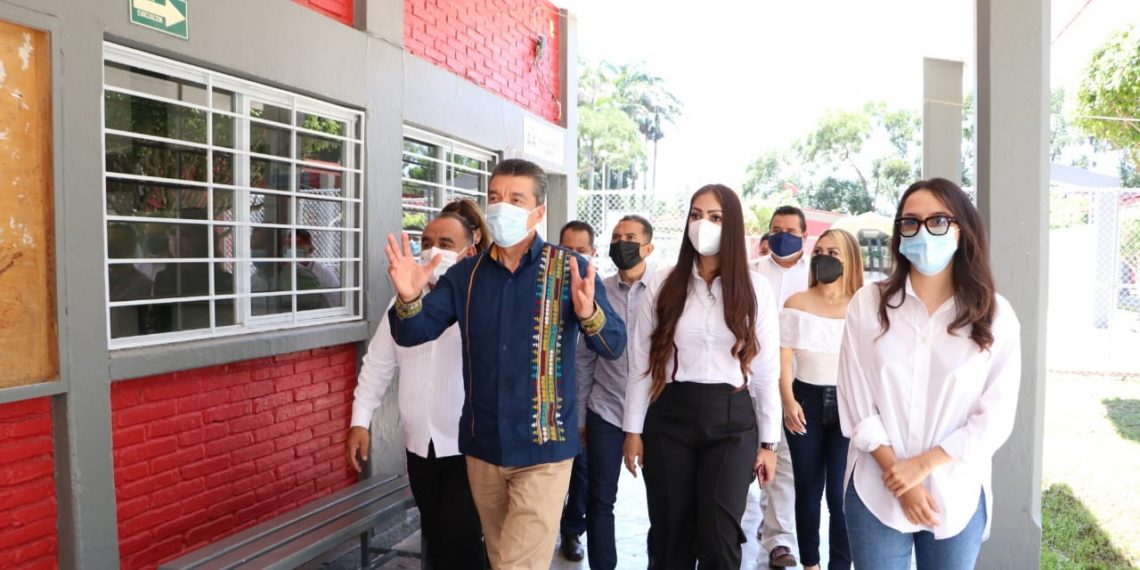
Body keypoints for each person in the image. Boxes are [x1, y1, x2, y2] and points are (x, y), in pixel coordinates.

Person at [384, 158, 627, 569]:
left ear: (538, 212)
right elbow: (413, 333)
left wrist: (589, 316)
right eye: (495, 198)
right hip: (484, 450)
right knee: (500, 560)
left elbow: (614, 344)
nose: (502, 207)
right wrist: (409, 298)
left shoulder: (570, 269)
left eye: (516, 199)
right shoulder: (467, 275)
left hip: (545, 451)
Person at [838, 178, 1021, 570]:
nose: (923, 232)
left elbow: (995, 418)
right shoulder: (868, 305)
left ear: (962, 229)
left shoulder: (995, 314)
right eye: (910, 222)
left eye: (938, 220)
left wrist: (921, 466)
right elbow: (857, 406)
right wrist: (899, 476)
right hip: (876, 489)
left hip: (955, 492)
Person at [623, 184, 781, 568]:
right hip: (670, 416)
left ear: (733, 227)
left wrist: (769, 444)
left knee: (718, 534)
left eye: (715, 217)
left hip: (732, 420)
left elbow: (765, 373)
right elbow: (642, 363)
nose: (702, 224)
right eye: (696, 215)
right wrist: (633, 431)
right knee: (670, 533)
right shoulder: (663, 283)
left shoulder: (755, 288)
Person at [345, 213, 484, 569]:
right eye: (426, 242)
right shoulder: (402, 306)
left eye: (446, 243)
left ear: (470, 250)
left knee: (462, 538)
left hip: (468, 447)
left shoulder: (478, 300)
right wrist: (360, 422)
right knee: (435, 537)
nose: (432, 250)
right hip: (420, 446)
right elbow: (377, 364)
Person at [572, 215, 655, 570]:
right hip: (605, 409)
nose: (622, 243)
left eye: (631, 237)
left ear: (648, 247)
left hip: (654, 413)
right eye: (617, 236)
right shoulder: (598, 290)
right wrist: (579, 417)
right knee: (600, 500)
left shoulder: (664, 289)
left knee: (664, 502)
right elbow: (585, 358)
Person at [780, 229, 863, 570]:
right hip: (805, 402)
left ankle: (840, 565)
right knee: (807, 491)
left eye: (835, 252)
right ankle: (811, 564)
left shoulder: (863, 304)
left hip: (848, 405)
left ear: (850, 259)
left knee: (840, 497)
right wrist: (788, 401)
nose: (825, 257)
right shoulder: (796, 303)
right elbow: (783, 359)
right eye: (821, 250)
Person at [756, 205, 810, 567]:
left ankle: (779, 540)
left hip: (796, 381)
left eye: (790, 229)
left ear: (804, 235)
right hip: (754, 378)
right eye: (776, 229)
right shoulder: (751, 272)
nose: (782, 234)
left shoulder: (814, 277)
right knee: (749, 454)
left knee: (785, 460)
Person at [556, 219, 597, 562]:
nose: (571, 257)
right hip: (547, 404)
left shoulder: (600, 294)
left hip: (583, 404)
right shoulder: (544, 292)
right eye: (566, 249)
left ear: (592, 254)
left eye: (579, 251)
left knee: (581, 472)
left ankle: (572, 531)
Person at [290, 229, 342, 306]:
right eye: (291, 246)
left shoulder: (324, 273)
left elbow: (336, 301)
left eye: (299, 245)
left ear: (309, 246)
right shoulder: (288, 269)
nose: (295, 249)